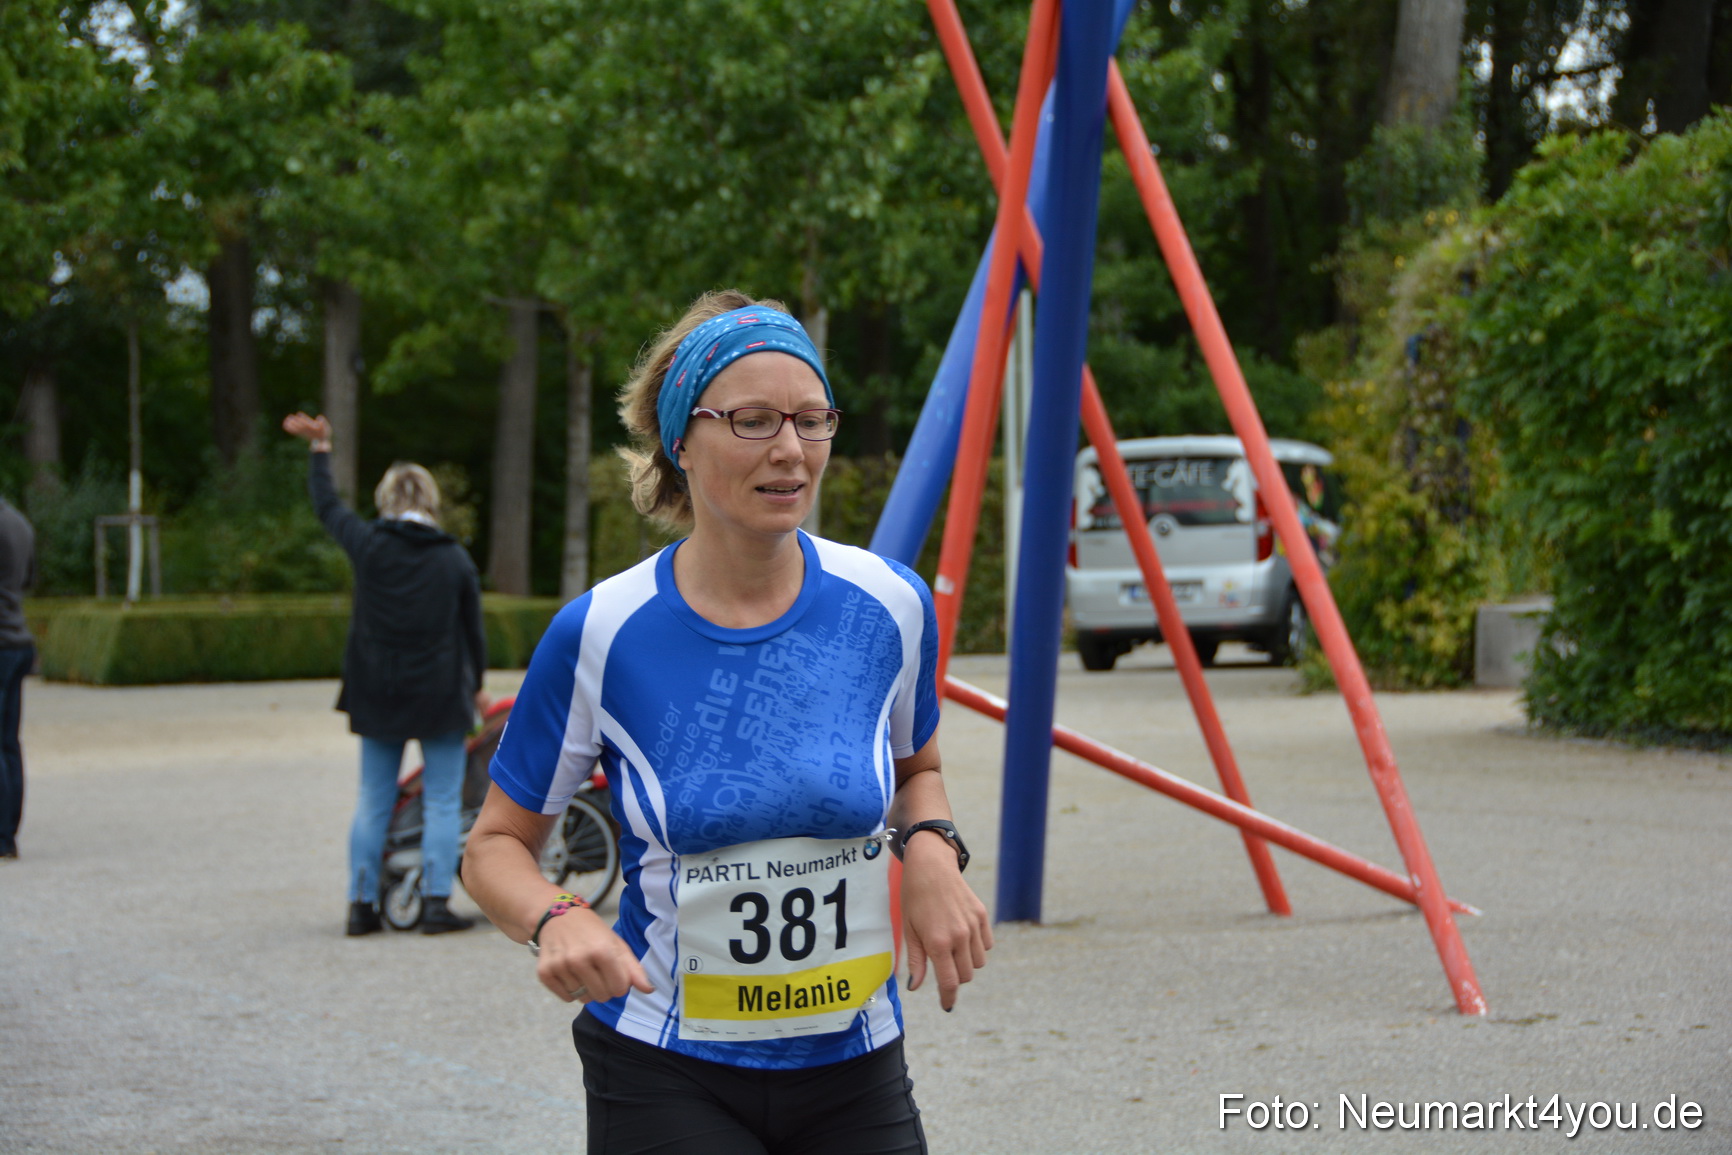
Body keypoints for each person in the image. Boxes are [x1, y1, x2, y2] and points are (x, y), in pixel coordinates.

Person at [463, 290, 992, 1154]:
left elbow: (916, 770)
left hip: (856, 1061)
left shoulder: (889, 605)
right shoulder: (603, 632)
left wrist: (931, 845)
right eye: (751, 420)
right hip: (663, 1063)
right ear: (681, 440)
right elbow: (493, 847)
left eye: (811, 419)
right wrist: (557, 915)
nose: (789, 449)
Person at [283, 413, 488, 936]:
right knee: (443, 798)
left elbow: (327, 507)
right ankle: (437, 905)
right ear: (431, 502)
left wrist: (321, 451)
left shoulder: (369, 545)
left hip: (379, 689)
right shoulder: (454, 560)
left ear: (387, 501)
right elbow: (473, 634)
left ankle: (361, 907)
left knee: (373, 798)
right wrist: (478, 685)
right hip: (441, 693)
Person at [0, 495, 35, 861]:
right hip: (19, 639)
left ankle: (1, 835)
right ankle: (8, 832)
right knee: (10, 743)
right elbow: (28, 580)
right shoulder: (21, 522)